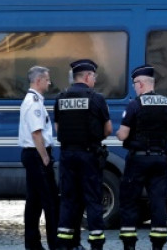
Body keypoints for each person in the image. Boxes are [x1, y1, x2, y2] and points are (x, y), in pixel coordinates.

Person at [117, 65, 167, 250]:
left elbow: (124, 135)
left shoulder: (135, 104)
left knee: (129, 201)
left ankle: (129, 245)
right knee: (158, 201)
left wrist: (120, 133)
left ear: (141, 83)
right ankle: (158, 244)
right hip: (160, 159)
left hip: (138, 160)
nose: (134, 87)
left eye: (135, 84)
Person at [55, 59, 112, 250]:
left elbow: (58, 128)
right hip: (89, 155)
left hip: (67, 155)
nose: (95, 80)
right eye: (94, 76)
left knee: (68, 200)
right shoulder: (97, 99)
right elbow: (108, 129)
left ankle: (66, 243)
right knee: (93, 200)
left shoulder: (61, 98)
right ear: (87, 76)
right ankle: (96, 244)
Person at [18, 66, 58, 250]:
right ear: (38, 81)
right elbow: (36, 134)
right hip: (37, 154)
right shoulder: (34, 102)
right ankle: (54, 243)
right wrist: (45, 158)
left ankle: (32, 244)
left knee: (34, 202)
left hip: (32, 154)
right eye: (47, 79)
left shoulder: (34, 100)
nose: (50, 83)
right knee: (50, 201)